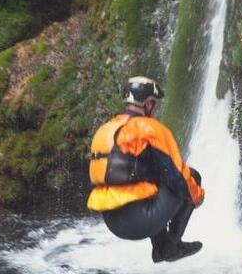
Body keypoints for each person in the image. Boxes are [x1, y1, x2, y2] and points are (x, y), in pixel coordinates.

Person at [87, 76, 205, 263]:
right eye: (154, 103)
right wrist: (197, 197)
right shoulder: (150, 128)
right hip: (139, 221)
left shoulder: (107, 128)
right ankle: (170, 246)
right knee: (191, 177)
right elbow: (179, 176)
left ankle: (161, 247)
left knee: (154, 176)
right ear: (148, 103)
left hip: (111, 220)